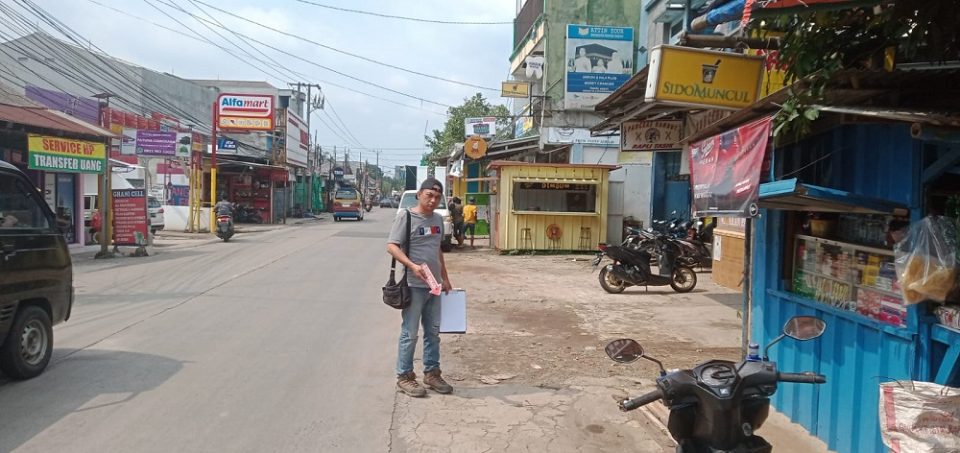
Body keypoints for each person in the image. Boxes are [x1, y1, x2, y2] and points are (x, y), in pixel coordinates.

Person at [387, 178, 454, 398]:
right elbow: (392, 246)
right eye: (429, 195)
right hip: (414, 285)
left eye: (437, 197)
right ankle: (404, 376)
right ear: (419, 194)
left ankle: (432, 373)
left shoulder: (436, 218)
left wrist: (444, 277)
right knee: (410, 333)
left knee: (433, 332)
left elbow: (437, 250)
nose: (433, 200)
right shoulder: (406, 217)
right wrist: (412, 266)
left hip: (434, 287)